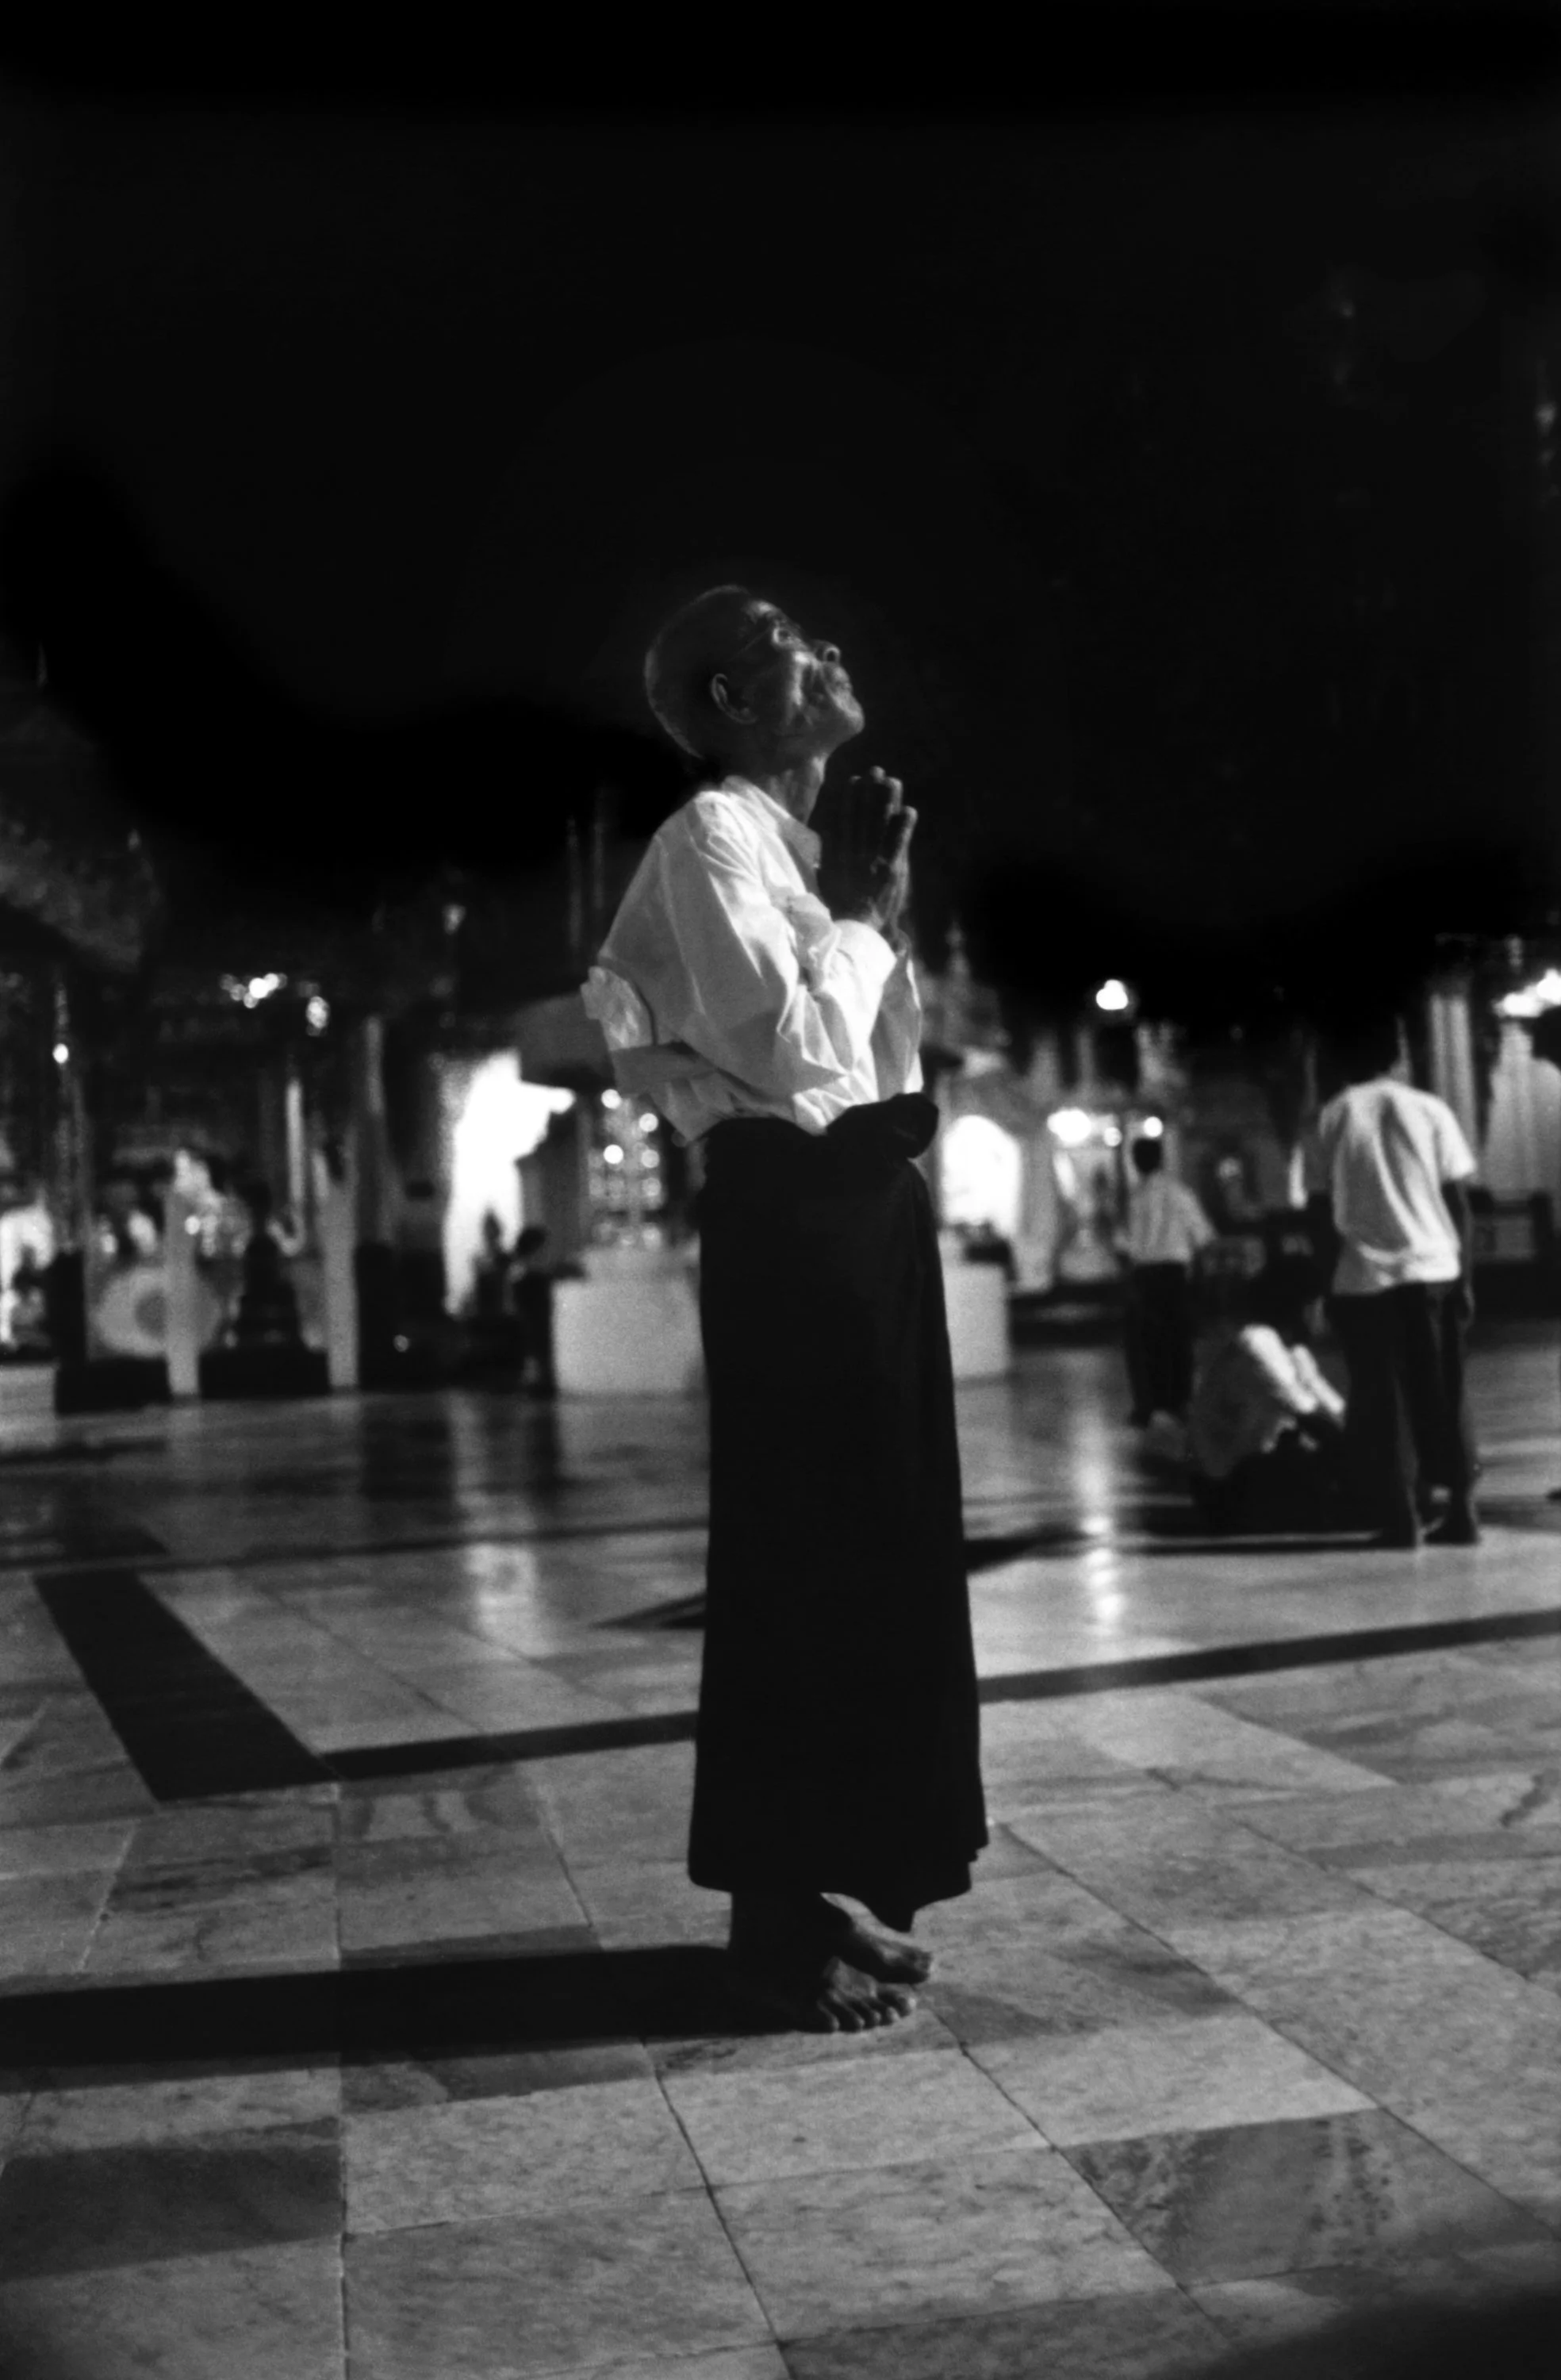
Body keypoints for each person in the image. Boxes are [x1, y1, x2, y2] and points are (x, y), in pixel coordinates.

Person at [581, 584, 986, 2034]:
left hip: (860, 1210)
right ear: (728, 705)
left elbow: (884, 1050)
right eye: (783, 651)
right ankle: (765, 1924)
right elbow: (802, 1069)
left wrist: (870, 912)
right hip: (794, 1212)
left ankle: (823, 1877)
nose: (828, 650)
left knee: (879, 1540)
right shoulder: (709, 839)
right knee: (809, 1544)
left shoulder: (804, 856)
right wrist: (870, 917)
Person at [1315, 1012, 1481, 1547]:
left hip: (1364, 1277)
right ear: (1398, 1053)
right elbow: (1458, 1202)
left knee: (1384, 1400)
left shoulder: (1334, 1115)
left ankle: (1403, 1516)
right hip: (1434, 1270)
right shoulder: (1431, 1109)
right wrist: (1467, 1278)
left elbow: (1320, 1213)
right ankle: (1462, 1510)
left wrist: (1325, 1287)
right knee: (1446, 1390)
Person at [1185, 1254, 1347, 1531]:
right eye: (1320, 1304)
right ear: (1305, 1306)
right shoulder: (1257, 1344)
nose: (1325, 1314)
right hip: (1227, 1487)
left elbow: (1337, 1412)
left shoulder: (1294, 1352)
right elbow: (1317, 1420)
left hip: (1252, 1470)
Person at [1117, 1135, 1215, 1425]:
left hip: (1144, 1275)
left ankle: (1149, 1404)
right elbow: (1203, 1237)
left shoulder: (1134, 1198)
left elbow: (1123, 1245)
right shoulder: (1180, 1193)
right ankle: (1179, 1401)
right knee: (1177, 1340)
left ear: (1136, 1162)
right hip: (1173, 1274)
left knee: (1145, 1344)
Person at [509, 1223, 557, 1397]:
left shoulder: (524, 1272)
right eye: (544, 1248)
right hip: (532, 1323)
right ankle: (537, 1378)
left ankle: (538, 1378)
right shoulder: (525, 1273)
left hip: (534, 1322)